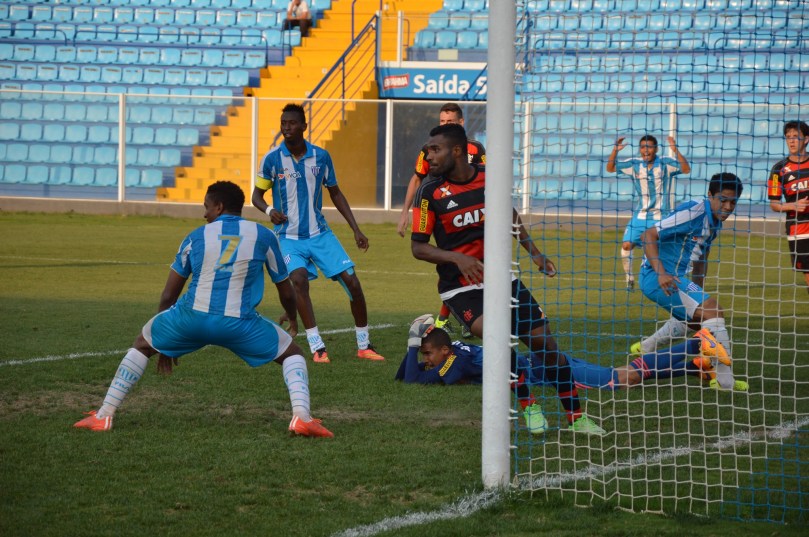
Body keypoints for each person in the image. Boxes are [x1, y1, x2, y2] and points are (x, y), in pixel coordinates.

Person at [74, 181, 333, 437]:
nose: (204, 213)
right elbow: (286, 290)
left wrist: (163, 342)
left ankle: (104, 415)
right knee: (293, 354)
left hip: (191, 319)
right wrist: (291, 315)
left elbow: (168, 295)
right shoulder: (263, 235)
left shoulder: (195, 236)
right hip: (240, 323)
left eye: (207, 207)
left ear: (219, 207)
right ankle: (302, 417)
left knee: (142, 344)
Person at [410, 123, 605, 435]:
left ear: (457, 151)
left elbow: (509, 214)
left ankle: (577, 417)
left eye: (435, 150)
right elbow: (418, 246)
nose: (428, 156)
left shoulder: (489, 180)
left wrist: (534, 252)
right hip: (461, 288)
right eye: (428, 150)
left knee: (547, 346)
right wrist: (457, 258)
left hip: (503, 278)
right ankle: (530, 406)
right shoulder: (429, 193)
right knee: (499, 340)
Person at [252, 103, 384, 364]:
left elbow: (335, 192)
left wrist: (356, 228)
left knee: (353, 282)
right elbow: (256, 195)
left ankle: (364, 345)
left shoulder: (321, 157)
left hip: (320, 234)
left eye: (291, 123)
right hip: (288, 237)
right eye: (283, 123)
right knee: (299, 280)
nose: (286, 128)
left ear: (303, 126)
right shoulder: (272, 159)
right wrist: (269, 210)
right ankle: (318, 347)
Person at [396, 317, 741, 395]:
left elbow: (412, 379)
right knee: (624, 374)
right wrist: (415, 344)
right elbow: (405, 376)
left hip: (549, 372)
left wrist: (413, 343)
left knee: (623, 381)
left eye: (428, 354)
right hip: (547, 362)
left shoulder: (458, 362)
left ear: (444, 350)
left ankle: (696, 344)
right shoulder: (455, 351)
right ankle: (694, 365)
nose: (426, 360)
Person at [637, 172, 749, 391]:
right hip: (657, 277)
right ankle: (725, 383)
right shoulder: (693, 212)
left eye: (732, 202)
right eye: (722, 199)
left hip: (676, 278)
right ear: (710, 195)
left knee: (700, 323)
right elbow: (648, 235)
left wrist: (699, 289)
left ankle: (647, 347)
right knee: (713, 312)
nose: (727, 206)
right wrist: (661, 273)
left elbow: (702, 257)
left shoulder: (714, 221)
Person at [398, 103, 486, 336]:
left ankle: (458, 317)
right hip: (444, 210)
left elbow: (482, 181)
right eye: (442, 121)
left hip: (473, 215)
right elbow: (417, 179)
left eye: (450, 122)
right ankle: (458, 317)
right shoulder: (431, 153)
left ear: (461, 123)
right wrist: (404, 213)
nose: (445, 125)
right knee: (455, 263)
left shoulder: (477, 150)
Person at [606, 134, 691, 290]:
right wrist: (615, 150)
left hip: (662, 216)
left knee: (657, 251)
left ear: (656, 149)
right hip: (641, 215)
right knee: (626, 245)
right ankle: (629, 278)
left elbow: (686, 169)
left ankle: (662, 279)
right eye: (643, 147)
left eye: (649, 147)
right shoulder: (634, 165)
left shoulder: (665, 163)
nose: (646, 150)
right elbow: (610, 168)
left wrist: (675, 150)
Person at [767, 120, 809, 294]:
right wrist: (794, 205)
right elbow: (774, 204)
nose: (791, 141)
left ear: (806, 139)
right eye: (788, 137)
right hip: (798, 229)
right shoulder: (779, 170)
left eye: (796, 137)